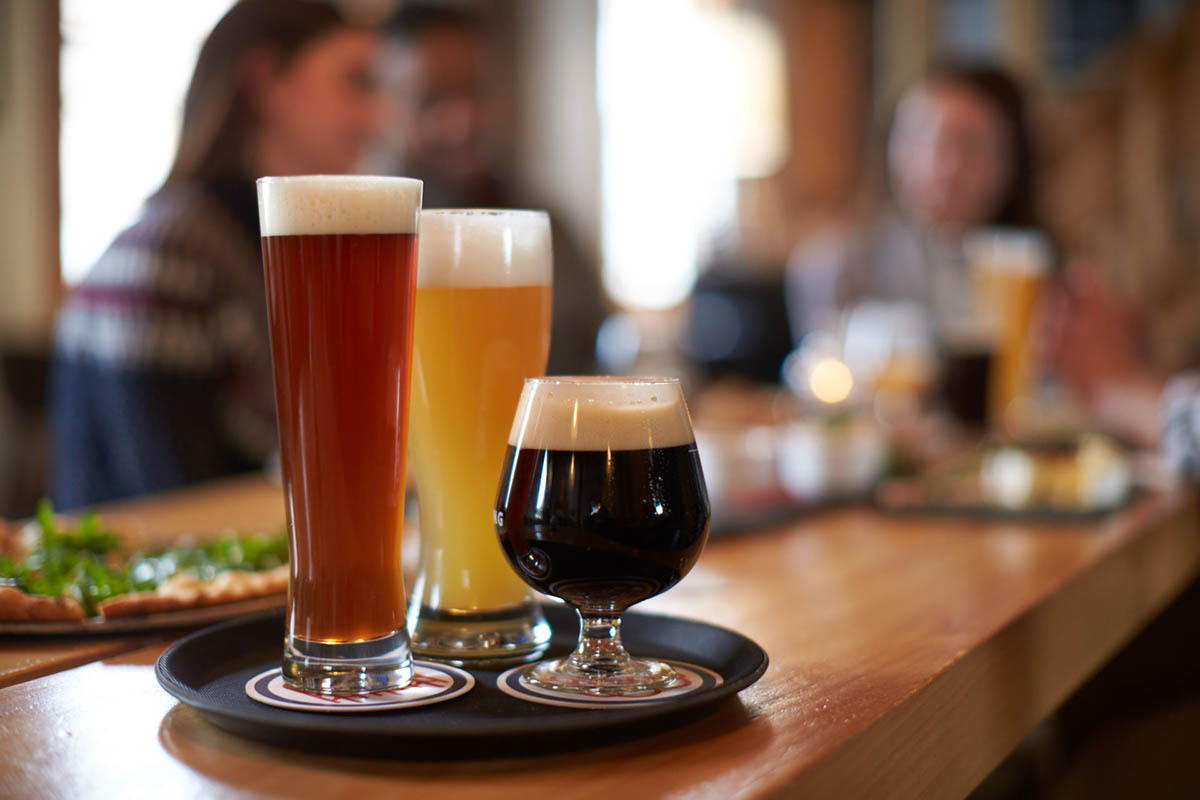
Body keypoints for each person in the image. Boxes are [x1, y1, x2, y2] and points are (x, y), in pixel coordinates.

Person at [50, 0, 383, 508]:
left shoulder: (234, 240)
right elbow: (180, 513)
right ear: (266, 78)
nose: (376, 117)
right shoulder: (180, 253)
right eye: (356, 82)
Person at [375, 3, 608, 374]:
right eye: (432, 99)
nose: (463, 120)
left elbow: (597, 353)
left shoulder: (544, 224)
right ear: (383, 105)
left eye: (476, 90)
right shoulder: (370, 240)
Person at [786, 62, 1038, 340]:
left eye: (970, 145)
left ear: (1011, 161)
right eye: (921, 137)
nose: (943, 166)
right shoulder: (839, 267)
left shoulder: (1034, 274)